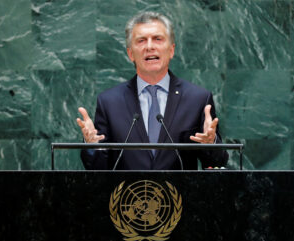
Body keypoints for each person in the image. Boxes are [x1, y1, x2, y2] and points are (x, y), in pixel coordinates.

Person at [77, 11, 228, 170]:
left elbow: (217, 164)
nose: (149, 47)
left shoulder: (197, 99)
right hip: (128, 194)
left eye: (157, 39)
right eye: (141, 41)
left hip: (179, 194)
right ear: (130, 54)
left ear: (171, 50)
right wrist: (92, 145)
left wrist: (211, 144)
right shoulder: (109, 102)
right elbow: (97, 168)